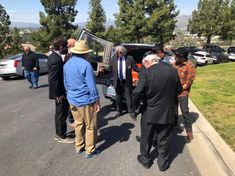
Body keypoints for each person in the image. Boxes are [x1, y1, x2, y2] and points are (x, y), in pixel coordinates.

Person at [133, 54, 182, 171]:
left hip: (150, 111)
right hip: (167, 111)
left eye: (145, 64)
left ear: (148, 62)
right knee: (164, 138)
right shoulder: (173, 71)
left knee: (146, 137)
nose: (145, 66)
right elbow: (179, 90)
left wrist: (135, 106)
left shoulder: (146, 72)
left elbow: (137, 91)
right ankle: (163, 163)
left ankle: (145, 160)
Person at [64, 40, 101, 158]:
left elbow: (65, 83)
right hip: (85, 100)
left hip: (72, 98)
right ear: (85, 53)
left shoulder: (67, 64)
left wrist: (70, 93)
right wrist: (96, 100)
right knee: (91, 125)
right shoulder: (86, 65)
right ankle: (90, 149)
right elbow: (91, 85)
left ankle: (79, 146)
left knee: (78, 123)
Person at [48, 37, 74, 144]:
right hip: (59, 93)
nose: (67, 48)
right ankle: (61, 136)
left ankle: (60, 133)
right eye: (66, 46)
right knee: (61, 114)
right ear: (61, 47)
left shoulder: (54, 56)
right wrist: (58, 94)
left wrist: (65, 62)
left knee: (59, 113)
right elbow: (53, 79)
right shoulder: (55, 59)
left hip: (60, 92)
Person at [108, 45, 139, 121]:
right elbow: (109, 69)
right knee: (118, 97)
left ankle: (131, 112)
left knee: (128, 96)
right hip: (117, 81)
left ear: (124, 52)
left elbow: (135, 68)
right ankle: (119, 111)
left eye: (121, 52)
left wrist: (145, 71)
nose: (119, 54)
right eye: (118, 53)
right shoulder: (113, 59)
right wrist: (102, 69)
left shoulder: (130, 58)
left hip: (127, 81)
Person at [173, 48, 196, 140]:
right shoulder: (174, 65)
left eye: (177, 56)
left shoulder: (190, 66)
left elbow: (189, 82)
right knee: (173, 111)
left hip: (183, 93)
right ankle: (174, 125)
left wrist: (179, 89)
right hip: (173, 92)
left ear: (182, 57)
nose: (175, 57)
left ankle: (189, 130)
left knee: (185, 111)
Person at [64, 38, 77, 128]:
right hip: (72, 86)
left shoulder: (69, 55)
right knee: (71, 105)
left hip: (71, 86)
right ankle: (72, 120)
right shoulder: (69, 56)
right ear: (70, 46)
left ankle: (73, 119)